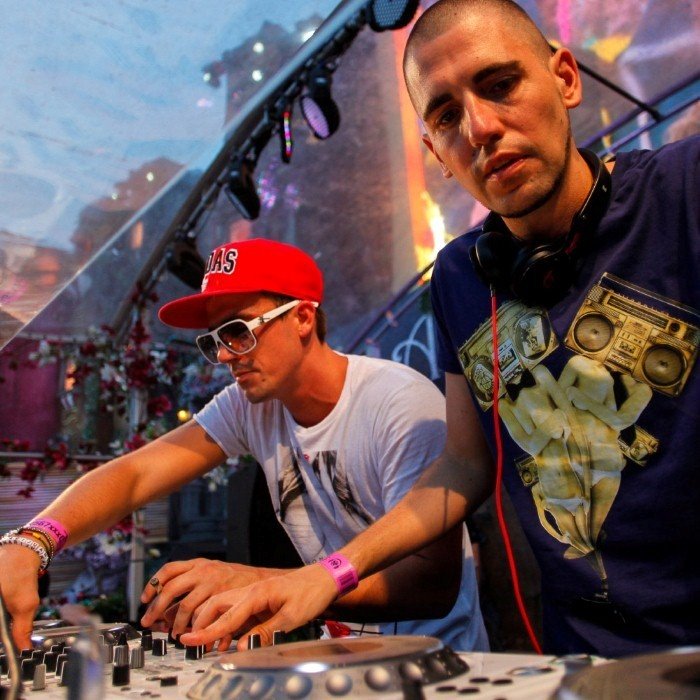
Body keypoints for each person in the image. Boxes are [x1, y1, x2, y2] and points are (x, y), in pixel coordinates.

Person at [178, 0, 700, 658]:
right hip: (585, 660)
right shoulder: (459, 275)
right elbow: (463, 463)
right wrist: (327, 574)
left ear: (565, 79)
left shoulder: (683, 190)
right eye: (446, 116)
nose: (480, 128)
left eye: (500, 84)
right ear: (436, 153)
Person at [0, 237, 488, 653]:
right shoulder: (251, 404)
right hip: (345, 664)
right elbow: (136, 473)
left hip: (438, 668)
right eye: (214, 340)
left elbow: (433, 586)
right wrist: (34, 540)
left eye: (238, 331)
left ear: (302, 317)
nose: (225, 356)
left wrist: (258, 583)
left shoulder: (397, 403)